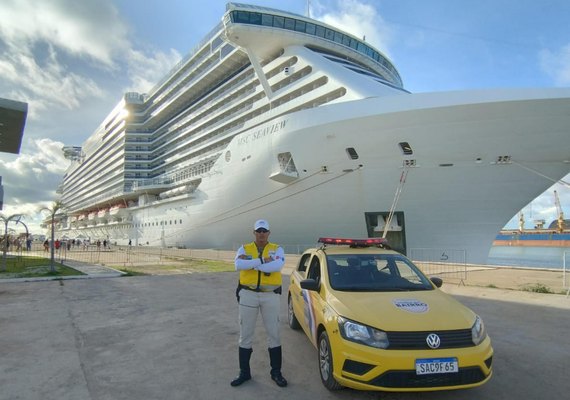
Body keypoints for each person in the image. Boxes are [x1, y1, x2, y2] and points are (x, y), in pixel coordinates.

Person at [231, 219, 288, 388]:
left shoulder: (277, 249)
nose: (261, 233)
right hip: (248, 295)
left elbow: (277, 266)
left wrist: (252, 265)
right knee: (245, 334)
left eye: (264, 231)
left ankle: (276, 372)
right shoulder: (244, 248)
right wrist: (263, 262)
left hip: (270, 296)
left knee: (274, 334)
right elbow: (238, 264)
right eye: (259, 231)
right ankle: (244, 372)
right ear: (254, 232)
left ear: (269, 233)